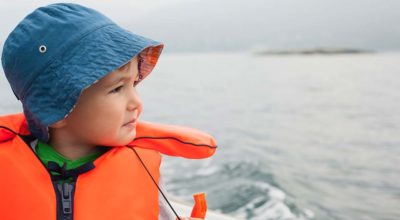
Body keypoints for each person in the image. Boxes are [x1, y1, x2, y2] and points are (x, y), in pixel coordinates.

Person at [0, 3, 216, 220]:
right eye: (117, 89)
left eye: (134, 84)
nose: (136, 103)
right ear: (57, 110)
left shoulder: (143, 168)